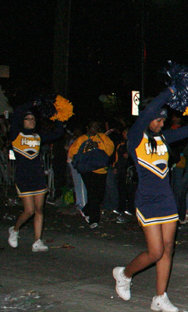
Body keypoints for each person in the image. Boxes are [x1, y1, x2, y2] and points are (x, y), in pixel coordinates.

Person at [112, 87, 188, 312]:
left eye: (164, 120)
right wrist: (170, 91)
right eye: (158, 120)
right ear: (149, 118)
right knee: (155, 252)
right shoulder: (135, 136)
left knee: (168, 248)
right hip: (147, 200)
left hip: (166, 199)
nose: (162, 124)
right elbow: (148, 110)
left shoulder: (165, 137)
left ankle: (160, 297)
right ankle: (125, 274)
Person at [7, 103, 65, 252]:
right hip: (23, 177)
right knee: (29, 211)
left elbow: (58, 133)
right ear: (22, 121)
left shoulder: (38, 137)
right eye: (27, 118)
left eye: (33, 118)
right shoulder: (16, 134)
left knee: (39, 209)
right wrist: (33, 104)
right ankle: (14, 230)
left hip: (38, 177)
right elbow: (17, 113)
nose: (31, 121)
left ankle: (37, 241)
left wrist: (59, 116)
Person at [67, 121, 115, 228]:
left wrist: (97, 147)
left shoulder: (103, 137)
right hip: (88, 170)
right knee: (92, 193)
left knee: (100, 194)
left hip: (101, 169)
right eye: (92, 126)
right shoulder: (81, 139)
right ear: (87, 127)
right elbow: (73, 152)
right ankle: (94, 220)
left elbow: (110, 150)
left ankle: (86, 210)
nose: (95, 128)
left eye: (96, 126)